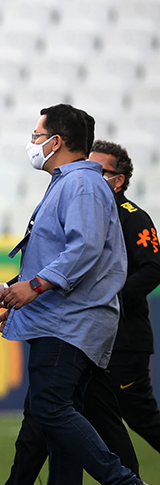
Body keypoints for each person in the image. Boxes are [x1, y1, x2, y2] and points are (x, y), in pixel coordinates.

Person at [0, 138, 160, 485]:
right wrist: (17, 289)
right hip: (76, 320)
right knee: (58, 413)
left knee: (75, 412)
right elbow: (56, 256)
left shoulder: (96, 195)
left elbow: (87, 255)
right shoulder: (77, 188)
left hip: (91, 325)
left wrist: (35, 287)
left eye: (37, 134)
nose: (31, 142)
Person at [93, 141, 160, 459]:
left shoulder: (133, 218)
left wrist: (112, 296)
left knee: (140, 416)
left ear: (118, 180)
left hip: (125, 339)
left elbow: (153, 269)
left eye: (99, 171)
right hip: (93, 335)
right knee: (75, 413)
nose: (90, 176)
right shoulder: (88, 212)